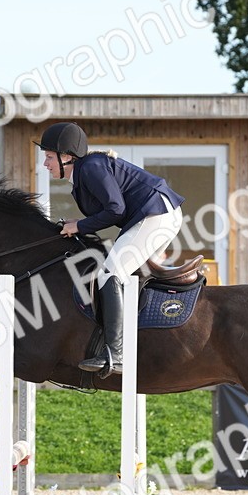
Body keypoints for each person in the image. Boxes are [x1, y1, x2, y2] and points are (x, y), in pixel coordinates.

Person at [40, 122, 185, 376]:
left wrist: (79, 226)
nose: (45, 164)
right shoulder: (84, 172)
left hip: (155, 214)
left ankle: (115, 354)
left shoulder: (91, 168)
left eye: (49, 157)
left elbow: (115, 210)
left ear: (67, 156)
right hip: (154, 214)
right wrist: (77, 225)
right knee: (127, 275)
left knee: (111, 273)